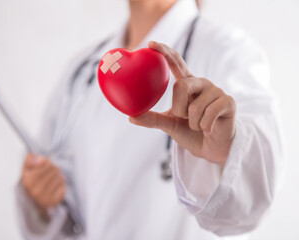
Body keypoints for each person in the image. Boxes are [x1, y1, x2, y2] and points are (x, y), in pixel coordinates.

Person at [16, 0, 283, 239]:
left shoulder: (227, 50)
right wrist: (41, 202)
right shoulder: (83, 69)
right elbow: (62, 207)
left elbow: (255, 197)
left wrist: (228, 151)